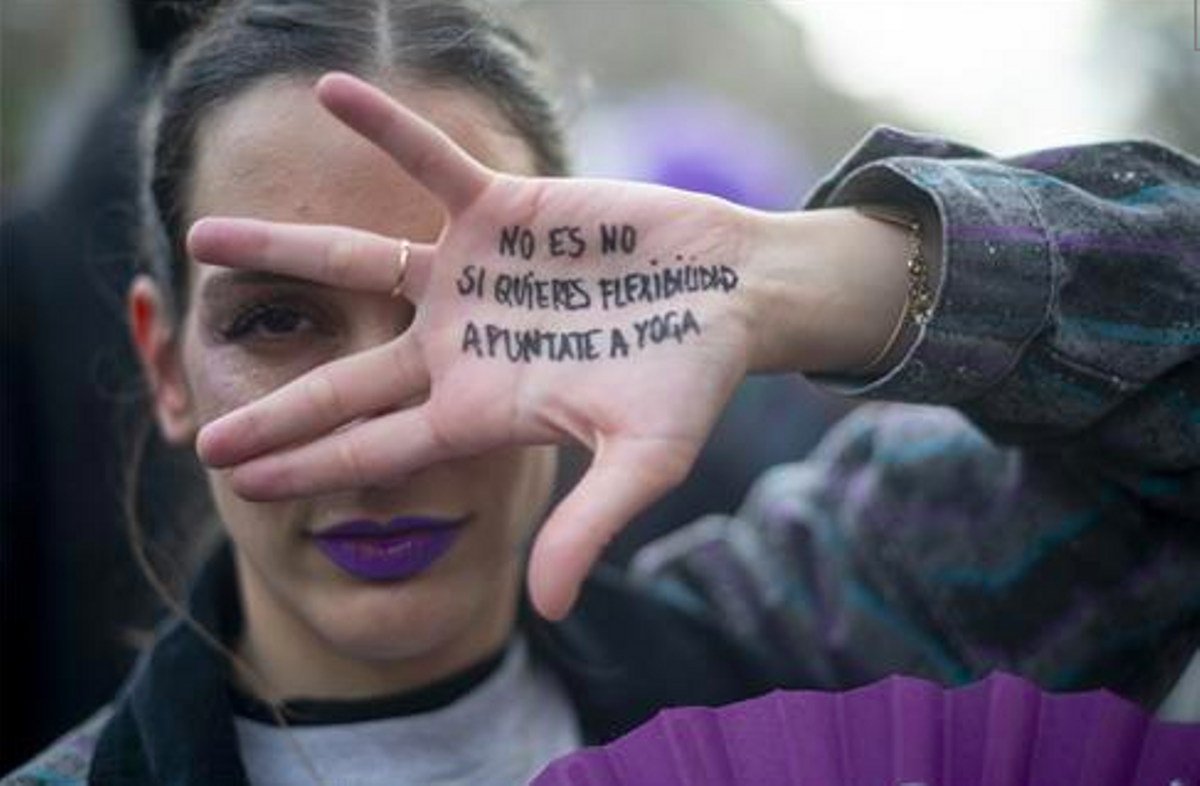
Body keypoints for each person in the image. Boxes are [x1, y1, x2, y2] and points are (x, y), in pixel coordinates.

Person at [5, 0, 1198, 783]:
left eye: (467, 318)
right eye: (276, 319)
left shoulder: (834, 640)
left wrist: (806, 272)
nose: (383, 439)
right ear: (165, 365)